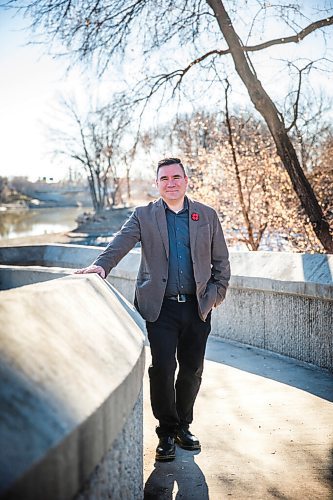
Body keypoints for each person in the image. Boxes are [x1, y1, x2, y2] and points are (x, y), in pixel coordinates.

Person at [75, 157, 230, 462]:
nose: (170, 183)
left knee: (192, 369)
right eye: (164, 179)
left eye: (176, 177)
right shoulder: (144, 216)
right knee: (162, 369)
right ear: (157, 184)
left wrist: (215, 296)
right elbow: (120, 243)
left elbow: (221, 262)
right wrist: (101, 267)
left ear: (186, 180)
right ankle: (166, 431)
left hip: (198, 308)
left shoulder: (207, 215)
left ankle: (184, 426)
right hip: (160, 308)